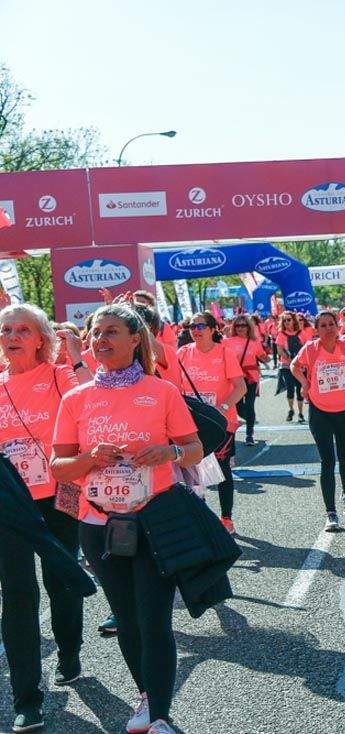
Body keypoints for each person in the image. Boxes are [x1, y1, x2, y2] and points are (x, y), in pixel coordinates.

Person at [51, 304, 204, 734]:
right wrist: (87, 459)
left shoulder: (161, 391)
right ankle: (146, 695)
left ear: (135, 339)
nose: (100, 340)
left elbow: (194, 449)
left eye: (111, 331)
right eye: (95, 333)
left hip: (155, 521)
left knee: (154, 618)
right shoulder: (75, 398)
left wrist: (168, 452)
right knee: (126, 618)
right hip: (99, 525)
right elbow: (59, 466)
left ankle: (158, 716)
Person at [0, 305, 87, 731]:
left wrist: (79, 358)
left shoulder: (57, 376)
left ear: (41, 339)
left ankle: (69, 651)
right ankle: (27, 698)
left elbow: (90, 404)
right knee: (17, 594)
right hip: (9, 503)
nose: (12, 335)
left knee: (61, 581)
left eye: (22, 329)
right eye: (5, 329)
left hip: (59, 493)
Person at [177, 311, 247, 534]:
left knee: (222, 470)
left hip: (220, 424)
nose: (195, 330)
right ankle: (202, 517)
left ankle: (226, 518)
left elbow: (240, 387)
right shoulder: (182, 353)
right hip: (191, 424)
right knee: (192, 471)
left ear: (212, 329)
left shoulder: (225, 353)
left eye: (200, 326)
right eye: (192, 326)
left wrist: (223, 408)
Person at [291, 310, 345, 532]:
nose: (328, 328)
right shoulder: (311, 349)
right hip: (320, 412)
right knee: (327, 460)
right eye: (323, 325)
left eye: (331, 324)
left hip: (344, 410)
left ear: (338, 326)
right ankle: (331, 512)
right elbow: (294, 365)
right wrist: (305, 384)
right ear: (316, 329)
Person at [224, 314, 269, 447]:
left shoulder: (254, 342)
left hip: (251, 377)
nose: (240, 328)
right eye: (237, 325)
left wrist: (266, 357)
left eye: (243, 325)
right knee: (237, 407)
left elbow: (263, 356)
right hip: (235, 378)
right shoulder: (227, 341)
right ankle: (251, 419)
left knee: (249, 405)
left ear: (248, 327)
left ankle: (249, 434)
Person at [275, 313, 306, 423]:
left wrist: (300, 362)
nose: (287, 322)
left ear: (294, 321)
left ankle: (301, 413)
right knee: (290, 389)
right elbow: (279, 350)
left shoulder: (301, 333)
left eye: (288, 320)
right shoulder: (281, 334)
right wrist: (290, 360)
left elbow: (306, 348)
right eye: (284, 321)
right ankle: (291, 409)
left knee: (299, 389)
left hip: (300, 366)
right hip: (286, 366)